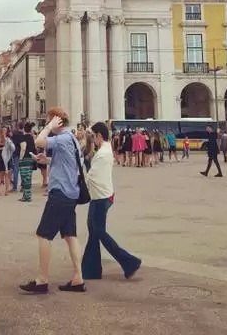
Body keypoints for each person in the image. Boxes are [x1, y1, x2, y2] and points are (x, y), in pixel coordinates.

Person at [20, 108, 86, 294]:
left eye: (49, 120)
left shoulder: (62, 138)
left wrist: (49, 127)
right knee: (70, 235)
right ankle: (78, 278)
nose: (46, 124)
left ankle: (42, 280)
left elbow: (38, 141)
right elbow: (67, 161)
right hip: (71, 193)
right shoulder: (71, 138)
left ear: (57, 121)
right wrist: (47, 160)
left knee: (44, 235)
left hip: (60, 192)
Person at [81, 122, 142, 281]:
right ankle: (91, 269)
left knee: (98, 231)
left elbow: (91, 176)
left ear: (99, 135)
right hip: (100, 195)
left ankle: (129, 262)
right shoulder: (104, 150)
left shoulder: (103, 154)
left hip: (101, 197)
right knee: (94, 231)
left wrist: (78, 185)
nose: (93, 140)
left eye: (93, 136)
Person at [18, 122, 37, 202]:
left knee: (24, 178)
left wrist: (20, 158)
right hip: (30, 159)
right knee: (28, 178)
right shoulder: (32, 138)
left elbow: (23, 148)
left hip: (24, 159)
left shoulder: (23, 137)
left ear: (24, 129)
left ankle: (26, 196)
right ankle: (28, 195)